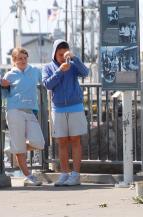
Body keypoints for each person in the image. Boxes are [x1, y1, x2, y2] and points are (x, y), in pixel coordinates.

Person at [42, 40, 89, 186]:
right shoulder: (48, 67)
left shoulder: (73, 64)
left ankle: (75, 174)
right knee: (61, 142)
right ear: (54, 54)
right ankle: (64, 173)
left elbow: (86, 72)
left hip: (76, 107)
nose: (63, 56)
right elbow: (48, 84)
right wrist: (60, 71)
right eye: (60, 54)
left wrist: (75, 58)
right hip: (58, 108)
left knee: (75, 140)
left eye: (65, 53)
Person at [1, 48, 45, 186]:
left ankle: (12, 150)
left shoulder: (35, 71)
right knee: (19, 148)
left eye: (25, 58)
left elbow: (46, 81)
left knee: (39, 143)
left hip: (30, 111)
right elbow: (3, 96)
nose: (23, 60)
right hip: (14, 111)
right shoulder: (9, 75)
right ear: (14, 60)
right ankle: (29, 176)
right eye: (19, 58)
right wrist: (3, 86)